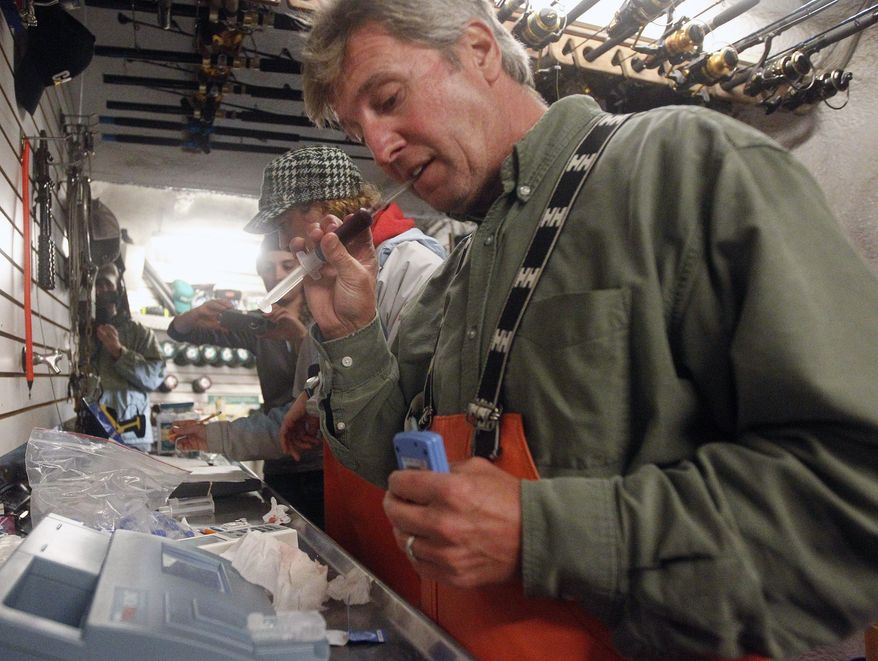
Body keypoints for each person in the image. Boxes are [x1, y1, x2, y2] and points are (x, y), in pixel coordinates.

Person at [293, 1, 878, 660]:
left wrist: (544, 532)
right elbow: (395, 462)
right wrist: (350, 333)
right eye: (358, 129)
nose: (379, 148)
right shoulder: (454, 279)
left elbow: (853, 496)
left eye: (390, 98)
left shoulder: (685, 169)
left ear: (481, 51)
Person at [243, 145, 445, 592]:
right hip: (351, 481)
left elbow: (412, 396)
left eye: (282, 225)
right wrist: (312, 397)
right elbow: (349, 353)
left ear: (319, 209)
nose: (280, 244)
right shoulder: (338, 269)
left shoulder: (415, 269)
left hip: (390, 494)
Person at [167, 235, 322, 524]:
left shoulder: (323, 321)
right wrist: (195, 314)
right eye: (266, 266)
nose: (275, 275)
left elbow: (321, 386)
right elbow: (181, 332)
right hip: (276, 458)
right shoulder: (259, 325)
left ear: (303, 267)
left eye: (287, 265)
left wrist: (299, 338)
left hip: (320, 465)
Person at [91, 262, 165, 450]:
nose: (102, 291)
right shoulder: (80, 332)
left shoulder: (140, 334)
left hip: (132, 436)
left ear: (119, 288)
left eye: (107, 284)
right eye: (97, 285)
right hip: (91, 434)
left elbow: (154, 377)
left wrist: (119, 352)